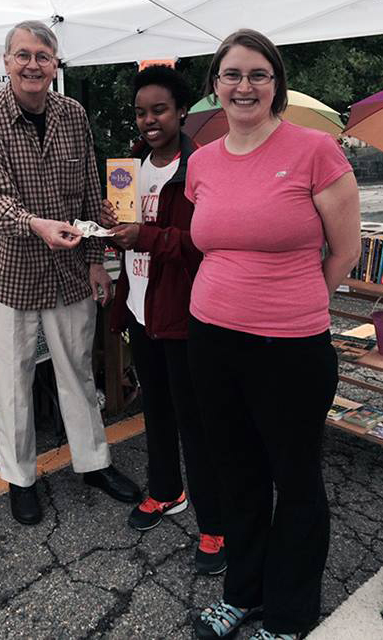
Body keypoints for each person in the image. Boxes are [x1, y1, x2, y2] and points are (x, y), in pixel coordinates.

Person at [186, 29, 361, 639]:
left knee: (296, 479)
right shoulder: (201, 163)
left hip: (289, 347)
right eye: (232, 74)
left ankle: (287, 616)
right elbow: (211, 240)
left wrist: (296, 301)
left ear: (276, 85)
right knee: (238, 474)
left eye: (259, 74)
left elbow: (344, 251)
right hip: (211, 339)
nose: (244, 86)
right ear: (215, 86)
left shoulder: (315, 150)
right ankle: (244, 591)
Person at [0, 20, 140, 526]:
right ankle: (20, 478)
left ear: (55, 63)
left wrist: (96, 257)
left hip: (68, 272)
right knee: (14, 383)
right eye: (23, 55)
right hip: (10, 275)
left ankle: (93, 463)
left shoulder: (73, 114)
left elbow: (88, 185)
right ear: (6, 62)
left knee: (77, 374)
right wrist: (35, 224)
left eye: (43, 55)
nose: (33, 64)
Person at [101, 65, 225, 575]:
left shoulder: (199, 168)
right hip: (140, 309)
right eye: (140, 112)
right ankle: (166, 492)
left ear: (179, 113)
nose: (149, 120)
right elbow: (126, 235)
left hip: (184, 315)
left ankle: (216, 524)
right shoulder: (129, 167)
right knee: (156, 410)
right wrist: (111, 228)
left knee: (197, 422)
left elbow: (203, 244)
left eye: (159, 110)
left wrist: (144, 236)